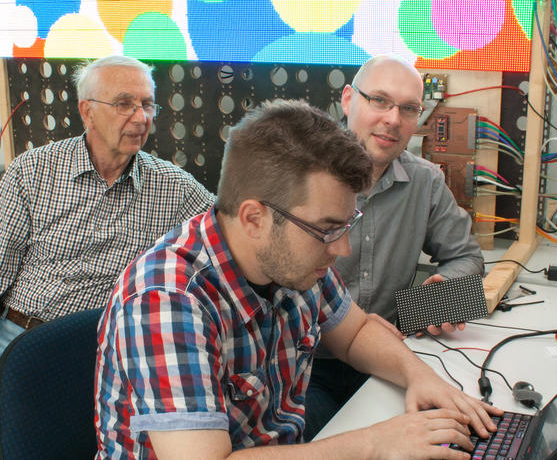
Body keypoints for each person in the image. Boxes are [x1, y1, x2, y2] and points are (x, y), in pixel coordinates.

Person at [94, 99, 501, 459]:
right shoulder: (167, 300)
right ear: (255, 218)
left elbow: (356, 331)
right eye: (326, 229)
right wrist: (376, 444)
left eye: (345, 225)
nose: (341, 249)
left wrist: (421, 378)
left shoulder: (292, 260)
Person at [305, 55, 485, 439]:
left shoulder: (426, 181)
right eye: (380, 101)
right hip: (306, 367)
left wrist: (438, 300)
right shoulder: (300, 173)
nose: (392, 119)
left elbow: (468, 258)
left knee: (457, 434)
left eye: (408, 109)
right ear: (349, 100)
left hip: (391, 355)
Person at [0, 55, 214, 353]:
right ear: (87, 112)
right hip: (20, 334)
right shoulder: (33, 170)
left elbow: (230, 228)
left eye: (147, 104)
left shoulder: (174, 186)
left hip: (103, 346)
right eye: (124, 104)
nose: (141, 118)